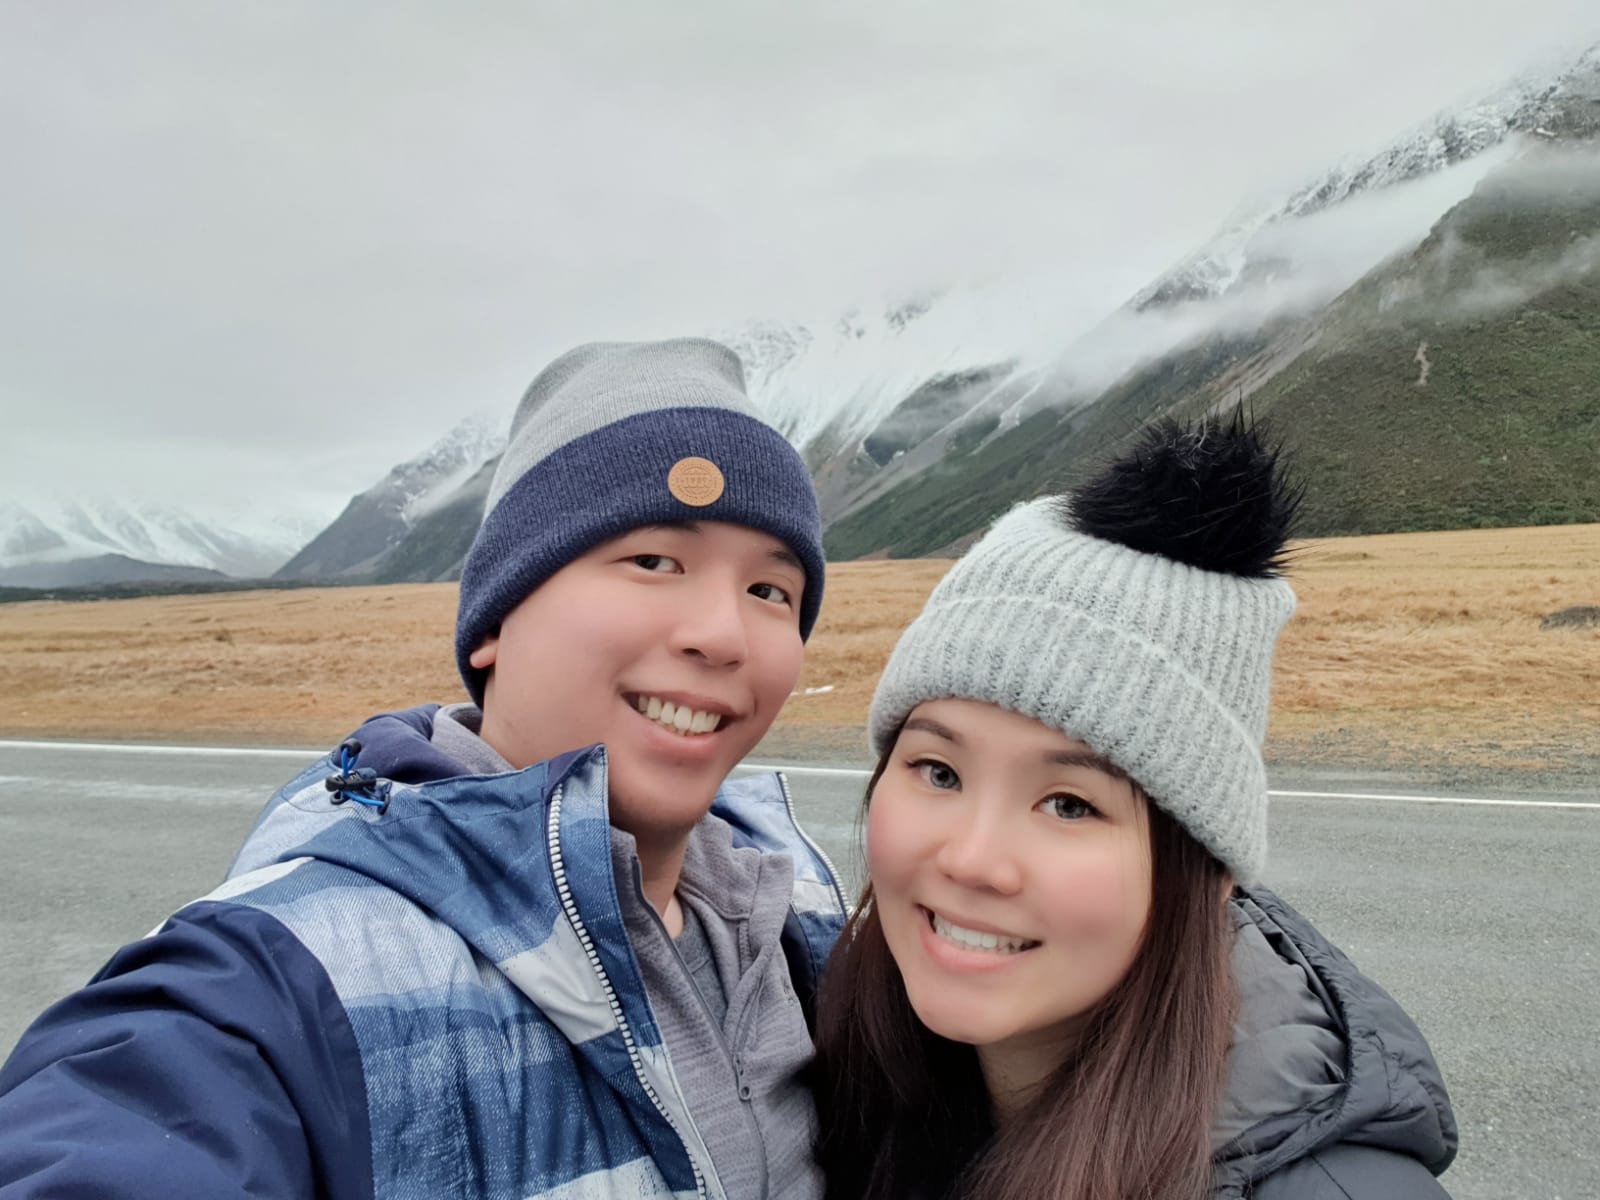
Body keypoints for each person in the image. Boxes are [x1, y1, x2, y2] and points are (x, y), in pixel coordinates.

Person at [0, 339, 848, 1199]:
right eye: (654, 561)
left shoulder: (801, 914)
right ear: (496, 623)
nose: (724, 635)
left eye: (770, 592)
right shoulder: (296, 976)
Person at [811, 416, 1458, 1199]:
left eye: (1069, 804)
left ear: (1207, 868)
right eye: (940, 772)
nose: (972, 860)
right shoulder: (836, 1078)